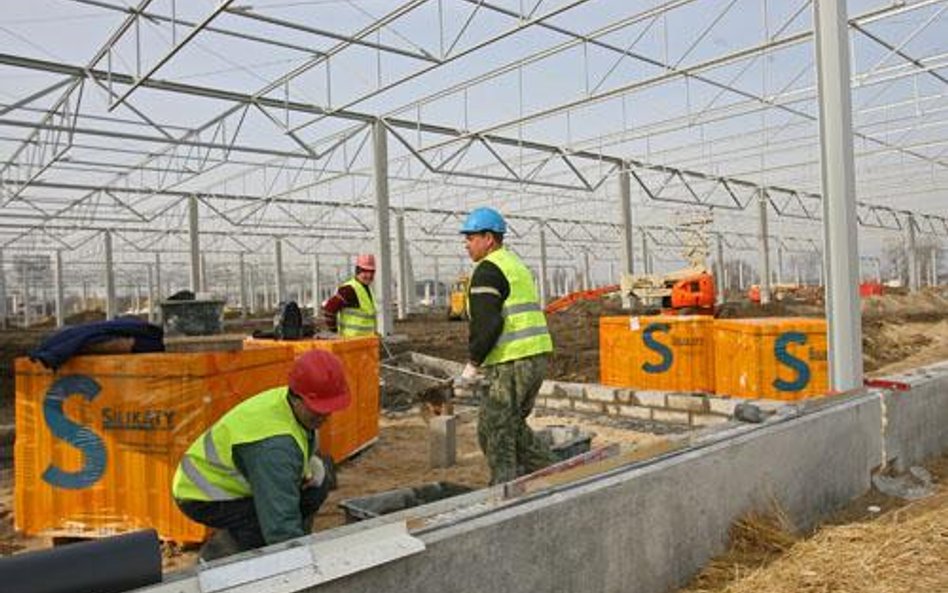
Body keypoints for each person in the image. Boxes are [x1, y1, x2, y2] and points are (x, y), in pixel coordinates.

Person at [171, 349, 349, 560]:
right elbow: (280, 526)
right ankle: (217, 559)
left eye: (328, 408)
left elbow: (302, 444)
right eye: (318, 409)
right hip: (201, 493)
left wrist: (311, 464)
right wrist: (298, 562)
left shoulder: (290, 402)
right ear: (297, 399)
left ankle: (287, 537)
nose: (325, 415)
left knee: (319, 481)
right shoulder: (275, 449)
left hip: (239, 477)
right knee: (262, 524)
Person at [458, 207, 557, 485]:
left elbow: (487, 323)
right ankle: (559, 472)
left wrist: (473, 363)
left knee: (495, 431)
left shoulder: (488, 270)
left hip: (511, 360)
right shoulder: (513, 264)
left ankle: (502, 492)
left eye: (470, 237)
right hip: (533, 357)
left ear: (488, 238)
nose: (466, 243)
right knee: (511, 426)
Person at [321, 254, 377, 336]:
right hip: (351, 342)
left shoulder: (367, 289)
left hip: (366, 341)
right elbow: (329, 308)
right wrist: (334, 330)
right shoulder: (348, 289)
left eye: (371, 272)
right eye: (365, 271)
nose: (369, 275)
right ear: (358, 271)